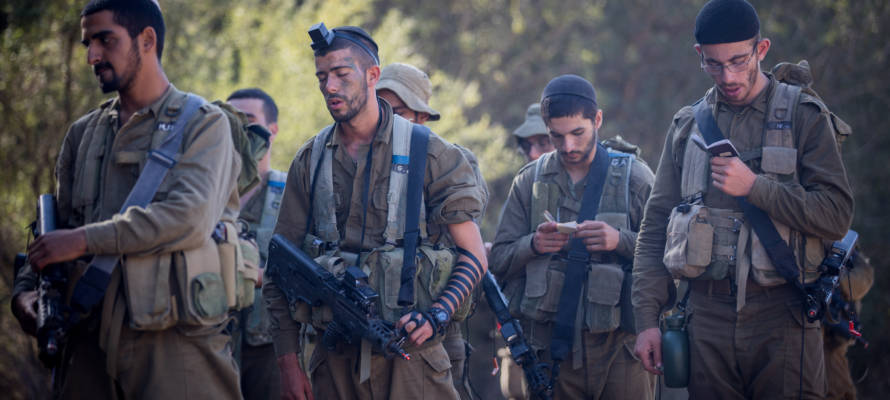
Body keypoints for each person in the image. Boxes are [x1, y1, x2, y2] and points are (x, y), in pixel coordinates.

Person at [10, 1, 242, 398]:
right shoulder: (82, 134)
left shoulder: (205, 125)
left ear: (147, 39)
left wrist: (84, 241)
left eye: (105, 40)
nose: (91, 56)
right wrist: (25, 291)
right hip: (85, 340)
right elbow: (53, 231)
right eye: (87, 43)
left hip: (173, 346)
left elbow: (189, 217)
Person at [631, 1, 854, 399]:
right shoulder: (686, 126)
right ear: (699, 56)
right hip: (707, 320)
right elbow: (654, 228)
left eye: (738, 60)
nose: (728, 75)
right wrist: (647, 319)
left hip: (784, 317)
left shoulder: (805, 116)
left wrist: (755, 187)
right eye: (714, 64)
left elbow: (836, 215)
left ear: (761, 49)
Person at [263, 23, 488, 400]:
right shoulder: (311, 160)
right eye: (322, 77)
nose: (329, 87)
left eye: (341, 74)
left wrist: (437, 316)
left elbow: (474, 255)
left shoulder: (431, 154)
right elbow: (279, 268)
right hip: (332, 362)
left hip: (412, 364)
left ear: (372, 76)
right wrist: (288, 363)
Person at [490, 74, 655, 399]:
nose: (568, 146)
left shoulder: (634, 178)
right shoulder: (529, 182)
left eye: (578, 133)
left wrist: (618, 240)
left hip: (620, 349)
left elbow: (668, 257)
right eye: (557, 136)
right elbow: (498, 260)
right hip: (550, 352)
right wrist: (534, 245)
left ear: (597, 120)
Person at [376, 62, 487, 400]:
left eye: (399, 112)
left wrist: (437, 313)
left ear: (422, 117)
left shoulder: (452, 162)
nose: (388, 121)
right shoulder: (365, 162)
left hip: (435, 329)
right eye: (381, 110)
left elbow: (471, 251)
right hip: (374, 329)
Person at [227, 87, 283, 400]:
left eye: (248, 120)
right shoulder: (205, 197)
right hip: (213, 342)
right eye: (231, 121)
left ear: (272, 131)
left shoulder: (292, 194)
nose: (240, 130)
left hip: (269, 351)